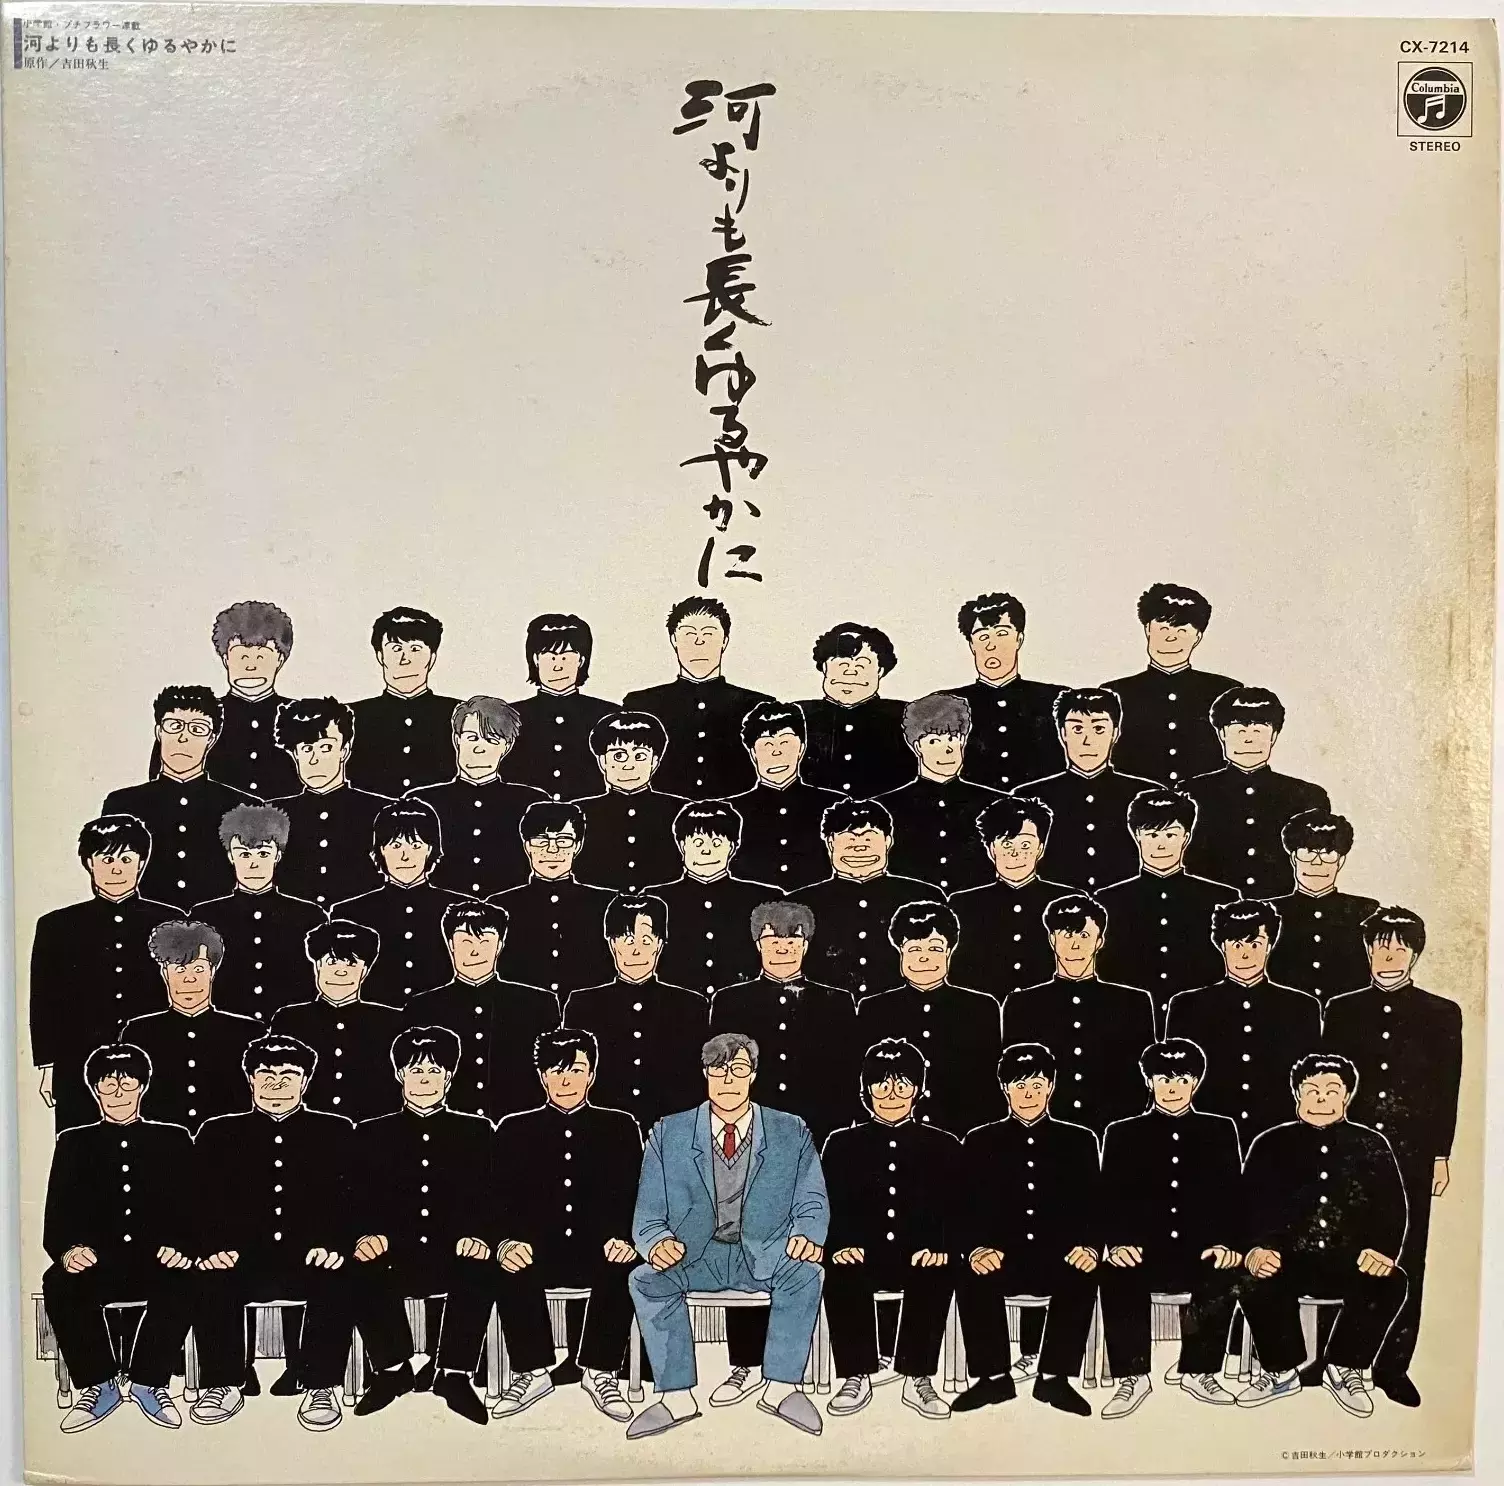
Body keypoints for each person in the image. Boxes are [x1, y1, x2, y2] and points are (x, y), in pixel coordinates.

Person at [626, 1032, 829, 1438]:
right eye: (718, 1070)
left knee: (807, 1274)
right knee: (645, 1279)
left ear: (753, 1075)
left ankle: (782, 1389)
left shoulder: (790, 1130)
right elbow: (648, 1211)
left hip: (766, 1250)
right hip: (695, 1255)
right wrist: (657, 1242)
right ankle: (676, 1396)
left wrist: (807, 1234)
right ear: (705, 1075)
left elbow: (812, 1199)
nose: (728, 1079)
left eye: (738, 1069)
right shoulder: (669, 1132)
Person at [1324, 907, 1462, 1408]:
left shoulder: (1442, 1013)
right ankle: (1336, 1359)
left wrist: (1440, 1154)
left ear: (1416, 954)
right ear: (1366, 951)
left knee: (1406, 1255)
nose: (1389, 955)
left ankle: (1391, 1367)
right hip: (1353, 1151)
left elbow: (1447, 1088)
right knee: (1343, 1246)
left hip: (1412, 1153)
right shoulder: (1342, 1009)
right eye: (1380, 946)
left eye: (1400, 947)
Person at [189, 1033, 361, 1431]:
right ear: (250, 1079)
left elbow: (355, 1202)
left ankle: (320, 1386)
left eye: (289, 1075)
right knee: (210, 1276)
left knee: (339, 1275)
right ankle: (223, 1383)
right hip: (243, 1257)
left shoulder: (336, 1131)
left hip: (308, 1256)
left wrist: (335, 1246)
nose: (277, 1085)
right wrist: (211, 1249)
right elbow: (197, 1203)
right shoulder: (218, 1133)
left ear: (306, 1080)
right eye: (266, 1075)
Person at [1235, 1053, 1408, 1417]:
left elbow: (1392, 1207)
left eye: (1332, 1090)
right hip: (1287, 1258)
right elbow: (1248, 1205)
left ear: (1348, 1095)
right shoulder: (1270, 1143)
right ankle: (1281, 1371)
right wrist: (1257, 1249)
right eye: (1312, 1090)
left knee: (1392, 1281)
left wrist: (1381, 1250)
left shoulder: (1371, 1143)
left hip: (1348, 1259)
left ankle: (1344, 1367)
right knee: (1250, 1277)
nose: (1321, 1098)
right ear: (1297, 1094)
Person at [485, 1029, 644, 1423]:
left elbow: (638, 1194)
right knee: (509, 1263)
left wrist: (627, 1238)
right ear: (542, 1077)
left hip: (599, 1248)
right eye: (556, 1071)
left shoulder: (620, 1126)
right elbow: (494, 1200)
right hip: (539, 1249)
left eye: (576, 1070)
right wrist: (505, 1243)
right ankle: (533, 1372)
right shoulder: (513, 1128)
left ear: (592, 1075)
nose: (566, 1080)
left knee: (625, 1264)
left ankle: (600, 1372)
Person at [344, 1026, 499, 1424]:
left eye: (434, 1070)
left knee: (480, 1265)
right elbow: (355, 1198)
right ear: (400, 1075)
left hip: (453, 1248)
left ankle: (454, 1375)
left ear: (449, 1076)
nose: (425, 1079)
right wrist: (365, 1236)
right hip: (395, 1249)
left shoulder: (477, 1130)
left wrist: (478, 1236)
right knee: (360, 1265)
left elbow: (492, 1197)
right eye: (415, 1071)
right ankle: (392, 1370)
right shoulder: (371, 1132)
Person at [42, 1044, 195, 1433]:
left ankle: (149, 1383)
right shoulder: (74, 1142)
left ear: (143, 1086)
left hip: (155, 1259)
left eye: (127, 1082)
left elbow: (194, 1208)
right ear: (95, 1089)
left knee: (187, 1279)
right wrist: (68, 1251)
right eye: (108, 1083)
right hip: (100, 1260)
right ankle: (100, 1385)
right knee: (58, 1282)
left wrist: (182, 1248)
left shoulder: (173, 1138)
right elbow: (56, 1217)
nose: (118, 1091)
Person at [1096, 1039, 1245, 1416]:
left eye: (1182, 1079)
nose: (1173, 1087)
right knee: (1117, 1271)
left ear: (1196, 1081)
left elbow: (1233, 1196)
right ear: (1149, 1081)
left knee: (1221, 1270)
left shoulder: (1220, 1129)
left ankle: (1199, 1371)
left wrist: (1227, 1244)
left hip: (1200, 1248)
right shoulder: (1122, 1132)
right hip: (1146, 1249)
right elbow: (1109, 1198)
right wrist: (1118, 1243)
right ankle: (1133, 1377)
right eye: (1163, 1079)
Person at [952, 1043, 1101, 1417]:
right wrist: (976, 1249)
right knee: (971, 1273)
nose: (1029, 1094)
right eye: (1020, 1086)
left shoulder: (1080, 1140)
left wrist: (1090, 1246)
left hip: (1059, 1254)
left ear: (1051, 1085)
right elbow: (964, 1207)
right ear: (1005, 1089)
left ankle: (1054, 1378)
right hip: (1003, 1254)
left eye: (1037, 1084)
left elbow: (1095, 1204)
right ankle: (993, 1378)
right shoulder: (979, 1140)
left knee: (1083, 1271)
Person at [821, 1039, 958, 1421]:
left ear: (918, 1090)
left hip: (920, 1252)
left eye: (902, 1084)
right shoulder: (841, 1143)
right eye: (881, 1085)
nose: (892, 1094)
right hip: (864, 1253)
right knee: (842, 1268)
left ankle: (918, 1377)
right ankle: (856, 1375)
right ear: (866, 1091)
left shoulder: (944, 1145)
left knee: (934, 1269)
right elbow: (827, 1206)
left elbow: (958, 1208)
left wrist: (942, 1246)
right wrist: (840, 1245)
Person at [29, 815, 178, 1132]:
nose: (116, 870)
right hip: (79, 1057)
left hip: (157, 1054)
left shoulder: (170, 920)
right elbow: (43, 1000)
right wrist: (48, 1066)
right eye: (106, 859)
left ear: (141, 863)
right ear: (89, 863)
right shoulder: (57, 926)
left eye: (126, 859)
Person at [1165, 899, 1322, 1151]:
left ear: (1270, 944)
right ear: (1221, 946)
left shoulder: (1302, 1007)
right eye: (1236, 945)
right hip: (1206, 1133)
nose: (1245, 954)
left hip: (1280, 1133)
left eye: (1255, 944)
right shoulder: (1187, 1006)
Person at [1001, 893, 1156, 1137]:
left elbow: (1145, 1074)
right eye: (1067, 935)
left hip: (1118, 1129)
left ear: (1099, 941)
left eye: (1084, 936)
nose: (1075, 946)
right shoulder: (1021, 1005)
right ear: (1052, 940)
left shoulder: (1134, 1003)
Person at [709, 902, 861, 1144]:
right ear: (758, 944)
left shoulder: (837, 1002)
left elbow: (849, 1070)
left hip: (821, 1125)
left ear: (805, 945)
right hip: (751, 1126)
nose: (782, 950)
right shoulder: (729, 1001)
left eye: (792, 942)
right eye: (773, 942)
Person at [401, 899, 561, 1124]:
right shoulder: (422, 1008)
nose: (475, 952)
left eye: (485, 941)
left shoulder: (539, 1004)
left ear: (500, 944)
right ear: (450, 944)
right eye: (465, 942)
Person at [856, 902, 1005, 1137]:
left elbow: (989, 1084)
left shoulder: (981, 1008)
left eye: (934, 948)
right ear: (900, 951)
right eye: (914, 949)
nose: (924, 958)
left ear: (949, 951)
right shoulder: (873, 1009)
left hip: (963, 1134)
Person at [563, 893, 708, 1133]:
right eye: (627, 940)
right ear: (612, 944)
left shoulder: (692, 1006)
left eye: (646, 941)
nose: (636, 951)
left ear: (660, 944)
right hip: (601, 1130)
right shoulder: (583, 1005)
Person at [1094, 790, 1237, 1031]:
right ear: (1136, 836)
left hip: (1203, 1017)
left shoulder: (1221, 899)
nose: (1161, 844)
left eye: (1171, 834)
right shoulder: (1107, 900)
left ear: (1186, 837)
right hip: (1125, 1019)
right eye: (1152, 834)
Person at [103, 685, 255, 909]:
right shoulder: (123, 803)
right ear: (159, 732)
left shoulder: (244, 806)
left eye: (197, 729)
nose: (184, 738)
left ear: (212, 739)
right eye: (174, 726)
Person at [790, 798, 945, 1000]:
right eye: (849, 839)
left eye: (869, 839)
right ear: (830, 843)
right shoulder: (798, 903)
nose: (859, 848)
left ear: (888, 841)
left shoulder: (925, 896)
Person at [1183, 687, 1331, 898]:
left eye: (1259, 731)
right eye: (1239, 731)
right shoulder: (1191, 792)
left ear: (1274, 736)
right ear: (1222, 733)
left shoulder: (1308, 796)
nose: (1248, 740)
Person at [622, 597, 773, 800]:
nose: (699, 642)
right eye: (689, 634)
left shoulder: (758, 705)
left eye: (709, 634)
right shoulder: (641, 704)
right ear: (673, 640)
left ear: (725, 641)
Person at [147, 601, 300, 800]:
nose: (251, 667)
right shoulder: (198, 717)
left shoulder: (300, 715)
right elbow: (161, 783)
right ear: (226, 659)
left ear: (280, 660)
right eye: (242, 657)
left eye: (261, 657)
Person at [1010, 688, 1156, 894]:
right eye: (1077, 729)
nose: (1088, 740)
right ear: (1063, 733)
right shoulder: (1028, 796)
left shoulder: (1146, 794)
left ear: (1115, 733)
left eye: (1099, 729)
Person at [120, 920, 258, 1134]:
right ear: (165, 973)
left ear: (212, 972)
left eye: (199, 969)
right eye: (180, 969)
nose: (189, 979)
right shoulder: (137, 1033)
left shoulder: (249, 1032)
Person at [193, 804, 327, 1023]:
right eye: (244, 854)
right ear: (230, 856)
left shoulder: (311, 916)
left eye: (263, 854)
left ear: (278, 855)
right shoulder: (204, 916)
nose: (253, 864)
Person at [333, 799, 466, 1009]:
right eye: (396, 846)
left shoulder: (458, 908)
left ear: (430, 849)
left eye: (416, 846)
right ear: (381, 850)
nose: (405, 856)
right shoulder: (349, 912)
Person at [1101, 585, 1240, 786]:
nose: (1171, 638)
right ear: (1148, 629)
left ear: (1197, 637)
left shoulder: (1226, 691)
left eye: (1182, 631)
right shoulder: (1114, 692)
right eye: (1163, 629)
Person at [407, 697, 545, 897]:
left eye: (491, 740)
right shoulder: (422, 801)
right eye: (472, 738)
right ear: (457, 740)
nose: (480, 748)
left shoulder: (532, 802)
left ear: (506, 747)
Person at [270, 920, 403, 1123]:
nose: (341, 972)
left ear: (365, 971)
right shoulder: (289, 1020)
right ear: (317, 966)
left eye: (351, 964)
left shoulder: (391, 1021)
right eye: (332, 962)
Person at [947, 797, 1074, 1003]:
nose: (1016, 854)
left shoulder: (1066, 900)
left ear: (1040, 848)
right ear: (991, 849)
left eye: (1025, 844)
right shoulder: (962, 904)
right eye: (1007, 844)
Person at [271, 697, 391, 910]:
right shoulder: (272, 813)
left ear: (344, 750)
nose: (314, 759)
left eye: (325, 747)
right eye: (307, 748)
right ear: (295, 753)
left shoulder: (382, 811)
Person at [943, 592, 1065, 792]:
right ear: (972, 645)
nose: (992, 646)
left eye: (1002, 634)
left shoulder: (1056, 699)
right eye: (982, 636)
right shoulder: (945, 704)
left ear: (1019, 639)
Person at [880, 693, 1001, 894]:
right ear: (917, 747)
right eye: (934, 742)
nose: (947, 750)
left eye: (953, 739)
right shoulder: (886, 805)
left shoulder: (995, 802)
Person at [653, 801, 778, 995]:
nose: (706, 851)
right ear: (682, 845)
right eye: (698, 843)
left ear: (733, 847)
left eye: (717, 843)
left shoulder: (763, 899)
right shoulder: (656, 899)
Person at [493, 801, 616, 995]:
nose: (552, 849)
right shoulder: (499, 905)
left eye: (563, 840)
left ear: (578, 846)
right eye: (541, 840)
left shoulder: (606, 903)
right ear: (527, 846)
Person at [1266, 810, 1380, 1009]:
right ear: (1293, 858)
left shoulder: (1367, 912)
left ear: (1340, 861)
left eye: (1327, 854)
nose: (1317, 863)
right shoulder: (1269, 910)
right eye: (1308, 853)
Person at [346, 607, 461, 797]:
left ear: (432, 657)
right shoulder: (351, 716)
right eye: (396, 649)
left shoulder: (459, 714)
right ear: (380, 656)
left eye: (415, 649)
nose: (405, 660)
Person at [727, 701, 842, 889]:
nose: (776, 752)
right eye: (766, 745)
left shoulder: (835, 804)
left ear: (802, 747)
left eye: (785, 742)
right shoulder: (731, 810)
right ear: (753, 753)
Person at [506, 613, 620, 803]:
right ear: (535, 659)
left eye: (566, 658)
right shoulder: (512, 715)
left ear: (581, 660)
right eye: (550, 657)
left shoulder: (608, 715)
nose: (558, 667)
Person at [572, 712, 688, 891]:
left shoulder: (681, 809)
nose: (629, 765)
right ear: (602, 761)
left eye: (640, 756)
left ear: (655, 761)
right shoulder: (578, 811)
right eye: (619, 756)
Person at [797, 623, 912, 799]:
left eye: (862, 665)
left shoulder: (905, 715)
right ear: (824, 667)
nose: (850, 673)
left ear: (880, 671)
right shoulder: (798, 715)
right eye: (841, 664)